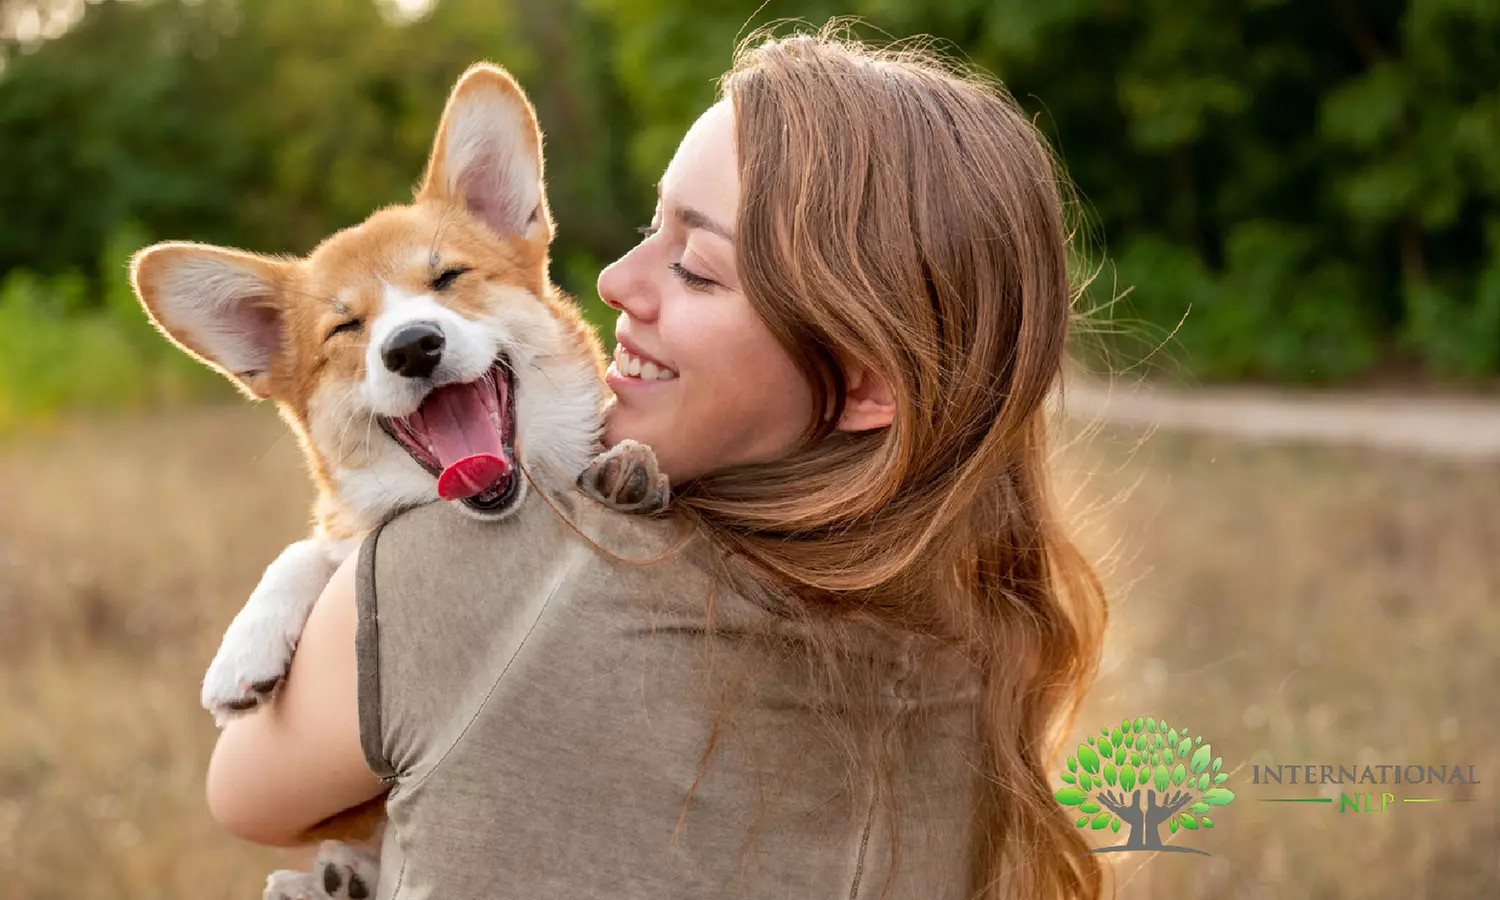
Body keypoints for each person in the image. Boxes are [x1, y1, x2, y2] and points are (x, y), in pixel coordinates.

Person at [206, 28, 1110, 900]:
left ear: (866, 379)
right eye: (651, 224)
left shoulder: (465, 576)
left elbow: (243, 795)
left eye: (700, 268)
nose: (610, 282)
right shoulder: (986, 644)